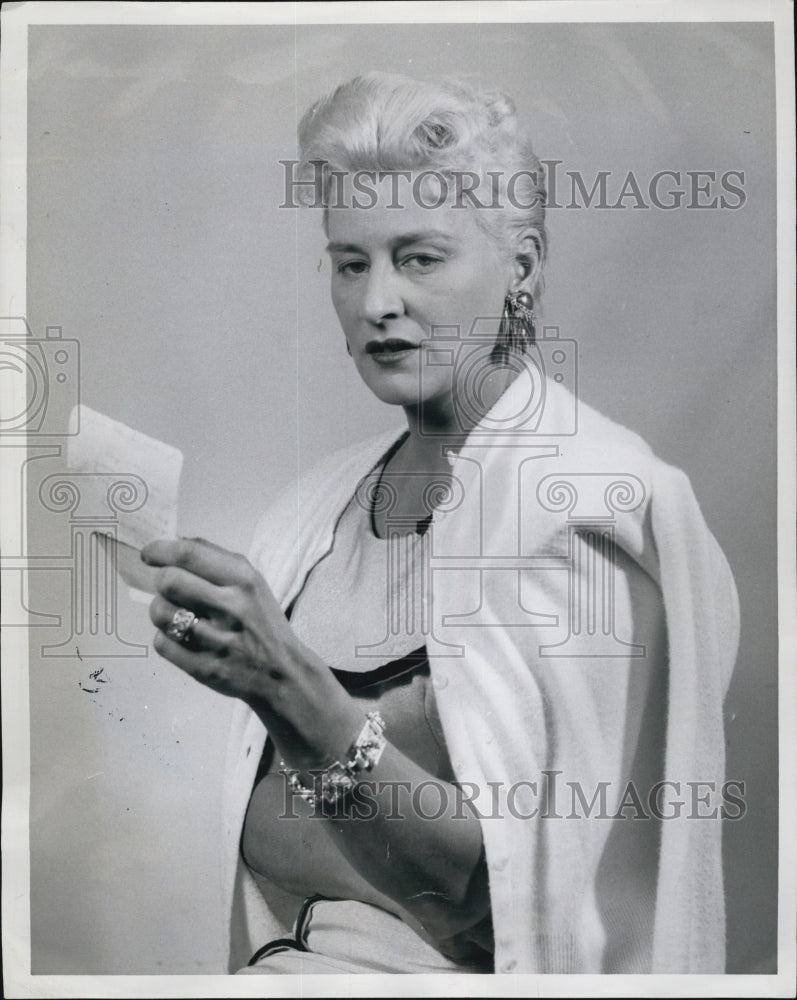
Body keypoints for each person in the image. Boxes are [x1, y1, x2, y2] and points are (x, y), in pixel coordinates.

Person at [142, 73, 740, 975]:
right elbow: (259, 844)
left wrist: (295, 692)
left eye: (418, 258)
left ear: (523, 268)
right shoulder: (312, 509)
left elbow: (515, 919)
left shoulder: (593, 506)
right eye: (351, 262)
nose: (377, 300)